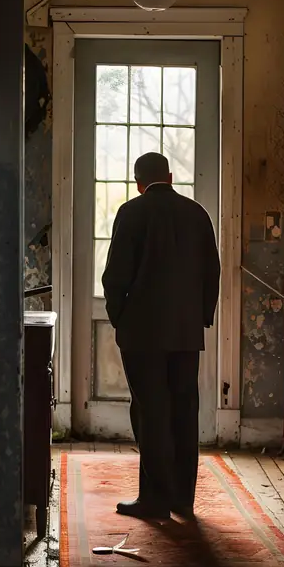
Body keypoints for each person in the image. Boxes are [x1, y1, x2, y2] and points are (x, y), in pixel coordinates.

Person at [102, 151, 221, 520]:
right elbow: (211, 271)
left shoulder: (132, 212)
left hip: (142, 333)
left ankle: (155, 499)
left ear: (138, 182)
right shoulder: (197, 213)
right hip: (185, 333)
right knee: (184, 409)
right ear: (169, 176)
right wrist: (201, 317)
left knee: (151, 411)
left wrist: (119, 318)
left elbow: (115, 275)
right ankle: (183, 498)